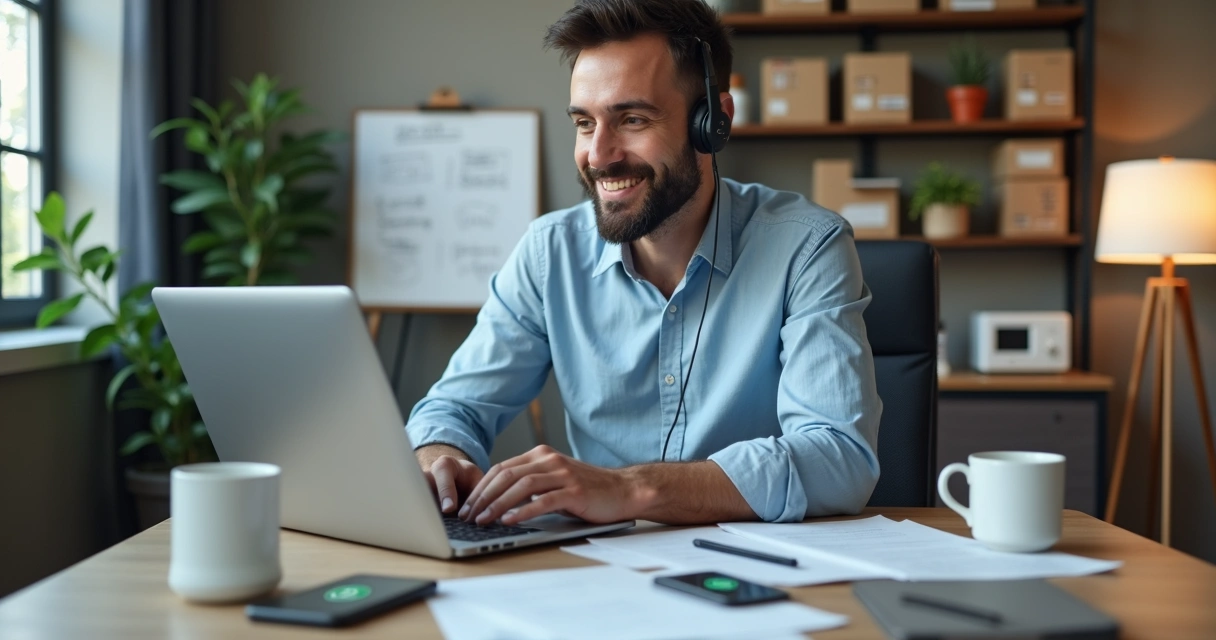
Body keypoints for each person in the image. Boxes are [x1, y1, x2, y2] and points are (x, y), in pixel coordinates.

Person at [406, 0, 882, 527]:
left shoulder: (807, 246)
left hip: (760, 566)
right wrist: (439, 458)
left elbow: (839, 458)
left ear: (714, 122)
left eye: (632, 119)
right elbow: (453, 409)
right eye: (585, 123)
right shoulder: (549, 253)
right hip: (597, 566)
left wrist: (630, 489)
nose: (598, 155)